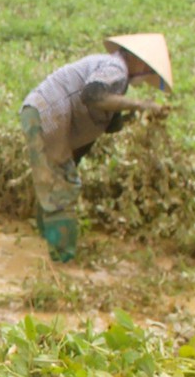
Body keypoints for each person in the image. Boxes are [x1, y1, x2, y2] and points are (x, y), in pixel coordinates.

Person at [21, 34, 173, 262]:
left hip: (40, 111)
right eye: (146, 67)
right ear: (136, 60)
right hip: (49, 111)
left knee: (55, 180)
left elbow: (111, 123)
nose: (144, 74)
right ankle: (61, 258)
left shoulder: (115, 79)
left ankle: (46, 243)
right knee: (62, 185)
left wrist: (138, 116)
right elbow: (92, 94)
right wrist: (142, 105)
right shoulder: (115, 67)